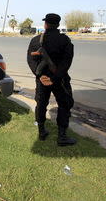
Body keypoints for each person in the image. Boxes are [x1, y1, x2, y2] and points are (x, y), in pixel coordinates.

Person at [27, 13, 77, 146]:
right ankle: (62, 137)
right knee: (64, 104)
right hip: (59, 80)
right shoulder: (64, 40)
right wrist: (55, 77)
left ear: (45, 24)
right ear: (58, 25)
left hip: (42, 79)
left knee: (41, 103)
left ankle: (41, 132)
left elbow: (30, 60)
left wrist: (39, 76)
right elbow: (67, 61)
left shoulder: (36, 40)